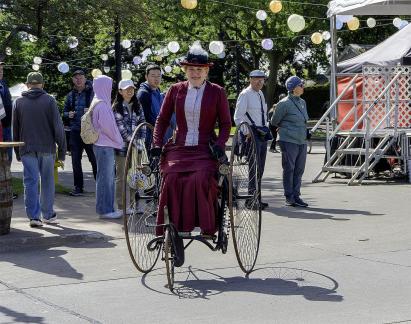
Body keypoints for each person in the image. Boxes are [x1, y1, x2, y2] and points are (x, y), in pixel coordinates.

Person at [152, 43, 231, 236]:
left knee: (202, 178)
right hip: (179, 146)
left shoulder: (217, 92)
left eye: (199, 69)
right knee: (170, 178)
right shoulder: (175, 90)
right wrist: (156, 144)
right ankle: (175, 227)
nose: (195, 73)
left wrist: (220, 145)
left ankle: (205, 226)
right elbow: (162, 120)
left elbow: (226, 124)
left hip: (205, 148)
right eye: (191, 69)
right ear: (185, 70)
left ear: (206, 71)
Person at [12, 72, 66, 227]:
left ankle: (34, 217)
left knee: (30, 181)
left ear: (28, 84)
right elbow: (58, 128)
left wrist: (17, 151)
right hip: (47, 147)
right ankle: (48, 214)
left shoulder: (19, 102)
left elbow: (15, 129)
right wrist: (62, 150)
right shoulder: (49, 100)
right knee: (47, 181)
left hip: (26, 147)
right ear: (42, 84)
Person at [234, 70, 271, 210]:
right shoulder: (245, 94)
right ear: (250, 79)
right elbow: (238, 117)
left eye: (262, 79)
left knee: (260, 169)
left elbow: (263, 115)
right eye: (256, 79)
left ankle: (257, 198)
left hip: (261, 133)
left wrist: (265, 127)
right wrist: (246, 132)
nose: (260, 82)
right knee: (253, 168)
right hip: (251, 135)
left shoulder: (260, 94)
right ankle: (251, 200)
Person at [271, 76, 309, 208]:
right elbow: (274, 121)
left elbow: (304, 120)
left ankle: (297, 196)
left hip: (301, 140)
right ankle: (289, 196)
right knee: (289, 169)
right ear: (293, 88)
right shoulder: (284, 103)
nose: (303, 87)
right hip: (288, 140)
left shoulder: (302, 102)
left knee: (299, 169)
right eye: (301, 85)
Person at [91, 75, 123, 219]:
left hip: (101, 145)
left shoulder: (97, 101)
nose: (111, 89)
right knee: (106, 179)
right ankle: (106, 210)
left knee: (104, 178)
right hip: (104, 145)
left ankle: (105, 208)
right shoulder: (102, 105)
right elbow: (109, 128)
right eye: (109, 86)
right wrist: (120, 141)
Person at [113, 79, 146, 213]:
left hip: (137, 147)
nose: (130, 91)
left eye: (132, 88)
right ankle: (121, 206)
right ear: (120, 91)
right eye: (126, 89)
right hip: (122, 148)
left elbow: (143, 123)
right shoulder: (116, 107)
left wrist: (141, 141)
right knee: (121, 177)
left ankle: (131, 205)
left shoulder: (138, 105)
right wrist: (131, 141)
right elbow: (120, 129)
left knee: (135, 176)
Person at [63, 69, 97, 197]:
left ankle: (99, 185)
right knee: (75, 161)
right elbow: (64, 112)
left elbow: (100, 109)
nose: (78, 80)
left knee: (94, 160)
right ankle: (78, 187)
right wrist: (68, 114)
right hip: (75, 131)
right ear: (73, 80)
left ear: (85, 79)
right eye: (76, 78)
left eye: (80, 77)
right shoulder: (70, 95)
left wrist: (92, 110)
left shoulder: (93, 93)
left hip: (89, 131)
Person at [137, 64, 175, 144]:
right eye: (153, 76)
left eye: (158, 76)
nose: (156, 78)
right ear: (146, 77)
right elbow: (144, 120)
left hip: (163, 133)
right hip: (152, 137)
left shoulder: (157, 90)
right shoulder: (143, 94)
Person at [0, 62, 13, 161]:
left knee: (8, 152)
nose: (1, 72)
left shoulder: (4, 84)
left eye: (2, 69)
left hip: (7, 124)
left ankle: (7, 174)